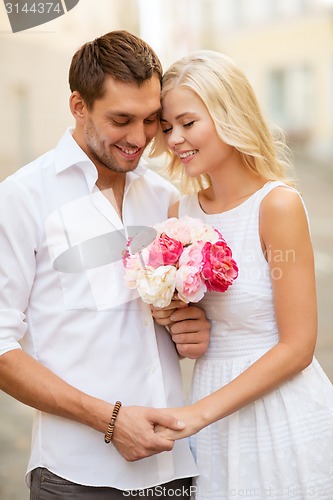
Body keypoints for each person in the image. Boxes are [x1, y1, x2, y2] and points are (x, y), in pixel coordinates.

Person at [0, 31, 211, 499]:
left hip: (175, 469)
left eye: (151, 120)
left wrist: (189, 327)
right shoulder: (22, 197)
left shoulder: (166, 199)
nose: (139, 138)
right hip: (76, 477)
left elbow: (167, 322)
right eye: (121, 119)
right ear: (78, 106)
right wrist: (111, 421)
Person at [151, 50, 333, 499]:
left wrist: (199, 414)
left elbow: (298, 347)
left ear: (228, 114)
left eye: (188, 123)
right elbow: (190, 318)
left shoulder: (277, 206)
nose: (175, 139)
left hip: (279, 413)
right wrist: (175, 320)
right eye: (167, 127)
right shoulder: (180, 211)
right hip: (213, 417)